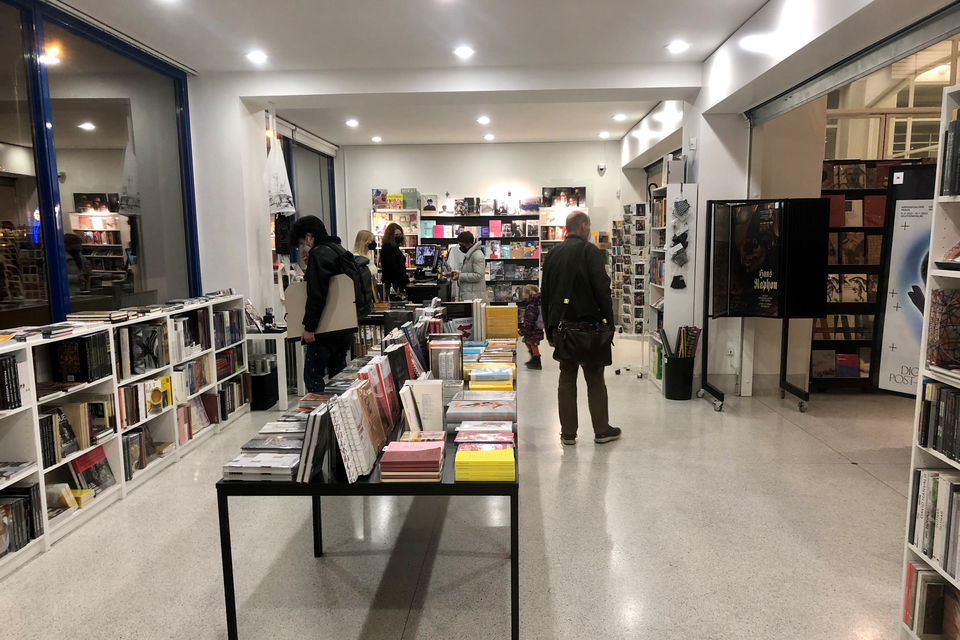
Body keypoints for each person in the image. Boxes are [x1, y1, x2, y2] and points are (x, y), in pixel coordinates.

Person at [541, 210, 620, 446]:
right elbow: (602, 290)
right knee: (595, 379)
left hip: (563, 328)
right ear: (584, 226)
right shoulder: (590, 251)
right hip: (589, 328)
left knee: (566, 379)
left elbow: (546, 295)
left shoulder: (553, 253)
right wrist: (609, 323)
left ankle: (567, 434)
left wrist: (550, 328)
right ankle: (601, 430)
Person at [290, 215, 361, 393]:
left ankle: (320, 418)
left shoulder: (318, 253)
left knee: (314, 378)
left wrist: (309, 327)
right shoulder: (337, 248)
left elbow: (317, 293)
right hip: (343, 326)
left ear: (308, 236)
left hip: (324, 329)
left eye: (302, 242)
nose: (304, 246)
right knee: (339, 378)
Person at [447, 231, 487, 302]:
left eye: (461, 245)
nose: (460, 247)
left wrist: (460, 276)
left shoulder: (477, 255)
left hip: (474, 297)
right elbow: (468, 272)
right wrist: (453, 274)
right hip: (470, 295)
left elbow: (478, 275)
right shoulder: (470, 254)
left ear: (467, 244)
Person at [379, 222, 409, 295]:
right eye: (396, 235)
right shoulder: (388, 248)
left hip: (396, 282)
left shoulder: (394, 247)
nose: (399, 237)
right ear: (391, 236)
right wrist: (406, 279)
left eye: (400, 234)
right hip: (392, 284)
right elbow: (392, 268)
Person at [519, 284, 543, 370]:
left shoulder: (532, 305)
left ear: (528, 293)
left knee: (533, 344)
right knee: (527, 341)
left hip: (534, 328)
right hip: (532, 328)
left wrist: (522, 330)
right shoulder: (531, 303)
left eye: (523, 292)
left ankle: (537, 362)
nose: (522, 294)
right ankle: (533, 359)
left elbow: (530, 319)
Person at [353, 229, 378, 310]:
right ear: (365, 242)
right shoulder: (356, 258)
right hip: (363, 294)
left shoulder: (369, 255)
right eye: (372, 240)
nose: (373, 243)